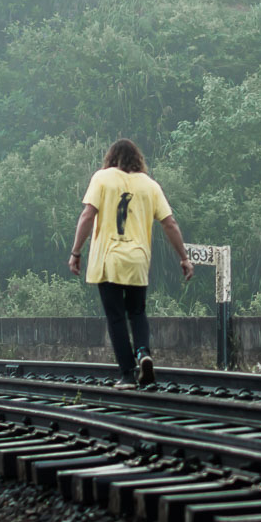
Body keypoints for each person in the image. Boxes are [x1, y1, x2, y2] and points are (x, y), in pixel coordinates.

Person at [68, 138, 194, 388]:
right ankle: (143, 352)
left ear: (111, 158)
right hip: (138, 259)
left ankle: (127, 374)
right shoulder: (150, 185)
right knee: (137, 312)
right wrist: (184, 258)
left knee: (116, 317)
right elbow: (170, 224)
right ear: (138, 159)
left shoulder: (102, 178)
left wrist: (76, 252)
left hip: (108, 259)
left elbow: (87, 215)